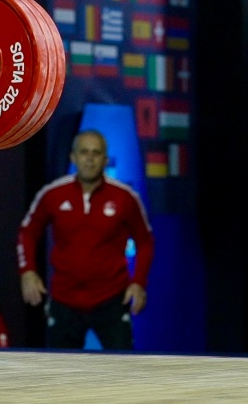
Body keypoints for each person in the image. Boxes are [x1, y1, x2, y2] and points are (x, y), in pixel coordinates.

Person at [17, 129, 155, 350]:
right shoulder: (52, 194)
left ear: (105, 159)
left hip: (111, 299)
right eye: (84, 152)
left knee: (123, 372)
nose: (89, 159)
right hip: (64, 299)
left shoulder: (125, 197)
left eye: (96, 153)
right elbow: (27, 232)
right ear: (73, 157)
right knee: (59, 374)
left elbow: (145, 241)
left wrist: (139, 282)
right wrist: (28, 271)